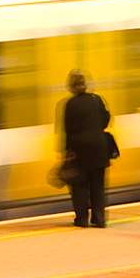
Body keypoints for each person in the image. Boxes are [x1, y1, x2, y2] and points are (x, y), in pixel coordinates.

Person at [59, 71, 116, 228]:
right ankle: (100, 219)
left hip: (80, 149)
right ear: (85, 84)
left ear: (71, 87)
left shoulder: (70, 104)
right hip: (100, 147)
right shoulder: (97, 99)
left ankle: (82, 219)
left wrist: (65, 152)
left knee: (79, 186)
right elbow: (106, 119)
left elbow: (67, 130)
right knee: (98, 185)